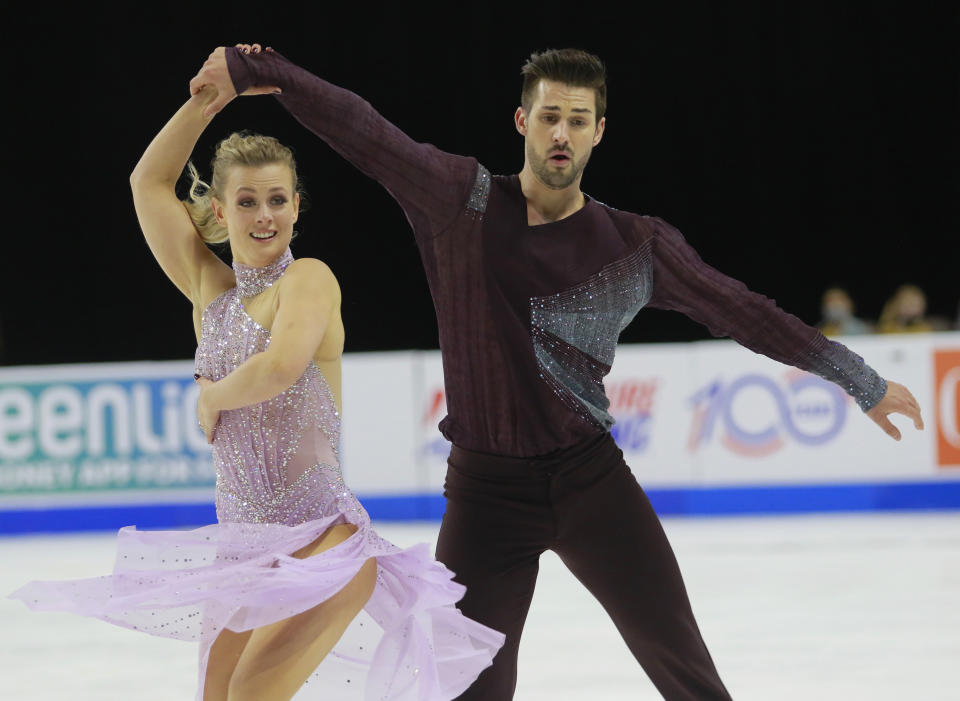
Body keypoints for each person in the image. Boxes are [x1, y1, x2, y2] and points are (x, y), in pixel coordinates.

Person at [190, 44, 925, 700]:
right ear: (522, 121)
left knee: (683, 664)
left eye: (578, 119)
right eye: (549, 116)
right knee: (470, 687)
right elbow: (364, 130)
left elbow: (743, 310)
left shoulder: (635, 245)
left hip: (590, 481)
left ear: (599, 131)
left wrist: (861, 380)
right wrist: (262, 69)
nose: (562, 133)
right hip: (485, 496)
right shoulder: (460, 203)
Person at [10, 79, 504, 700]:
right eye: (247, 201)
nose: (264, 214)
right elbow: (146, 185)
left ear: (298, 205)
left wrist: (210, 397)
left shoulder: (310, 281)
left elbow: (282, 366)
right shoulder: (207, 291)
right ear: (220, 209)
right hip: (243, 557)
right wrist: (206, 101)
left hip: (325, 549)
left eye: (276, 199)